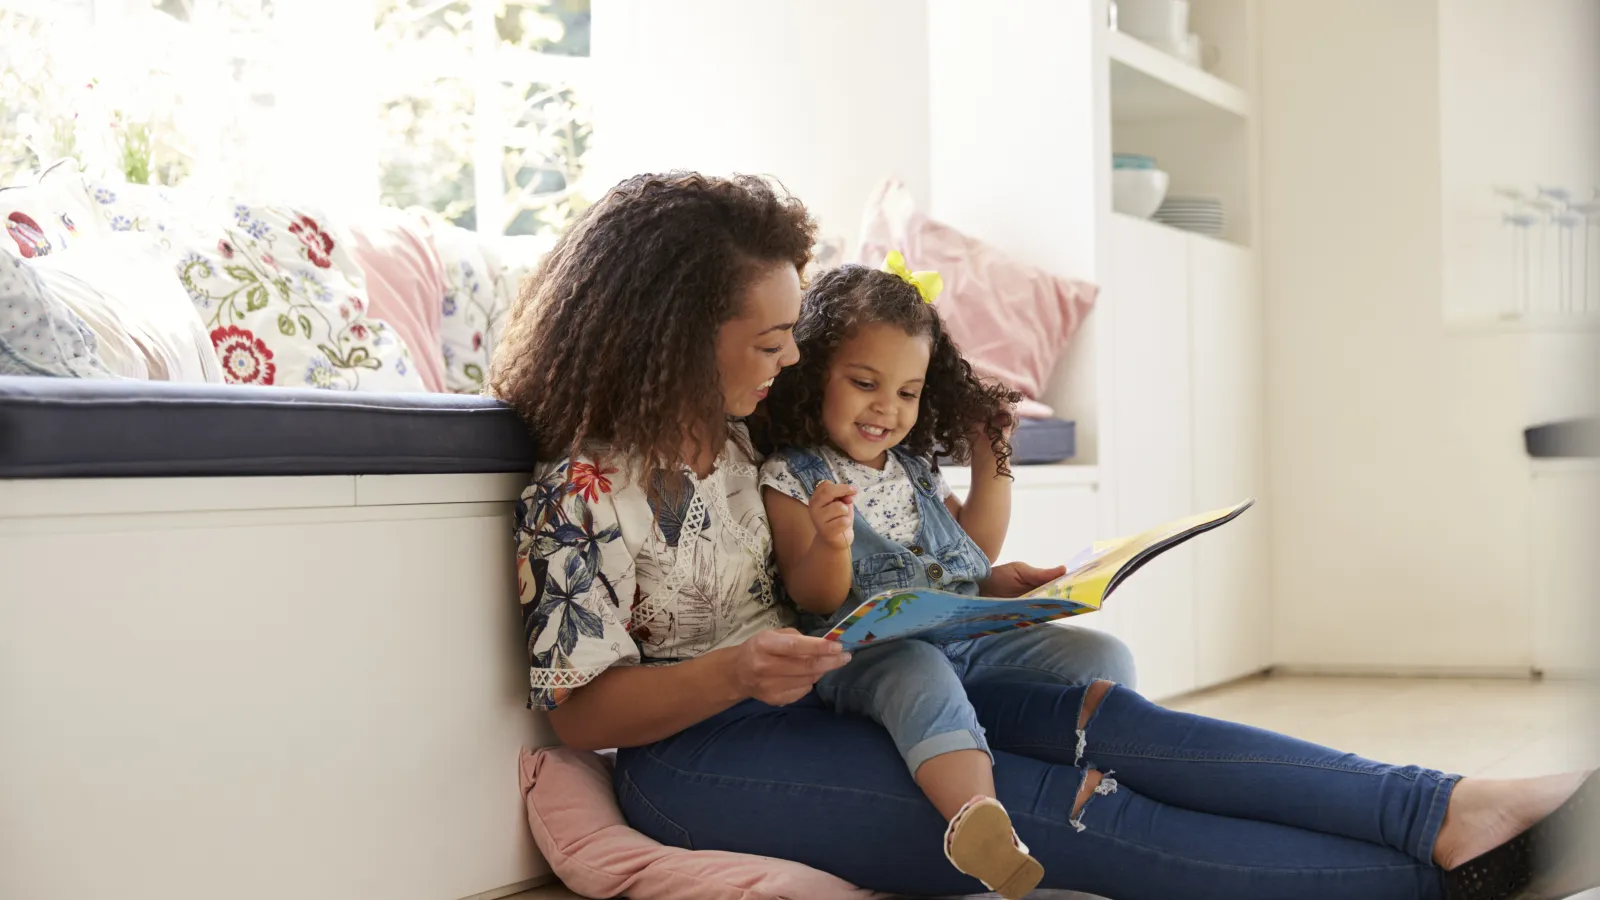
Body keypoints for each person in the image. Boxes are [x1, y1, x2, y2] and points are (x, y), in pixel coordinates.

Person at [489, 171, 1596, 900]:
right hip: (703, 761)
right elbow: (583, 705)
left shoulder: (747, 447)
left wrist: (970, 588)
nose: (787, 361)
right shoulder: (579, 492)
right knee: (1067, 810)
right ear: (678, 335)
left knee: (1106, 719)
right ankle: (1433, 882)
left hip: (840, 682)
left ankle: (1446, 808)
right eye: (770, 338)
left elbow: (858, 534)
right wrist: (735, 671)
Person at [756, 257, 1048, 898]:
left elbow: (967, 550)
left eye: (908, 393)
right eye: (865, 383)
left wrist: (989, 457)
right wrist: (831, 542)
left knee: (1092, 650)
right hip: (865, 657)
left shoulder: (912, 469)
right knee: (917, 669)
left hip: (957, 636)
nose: (886, 408)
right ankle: (978, 822)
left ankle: (1064, 747)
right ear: (813, 376)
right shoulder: (793, 474)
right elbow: (814, 596)